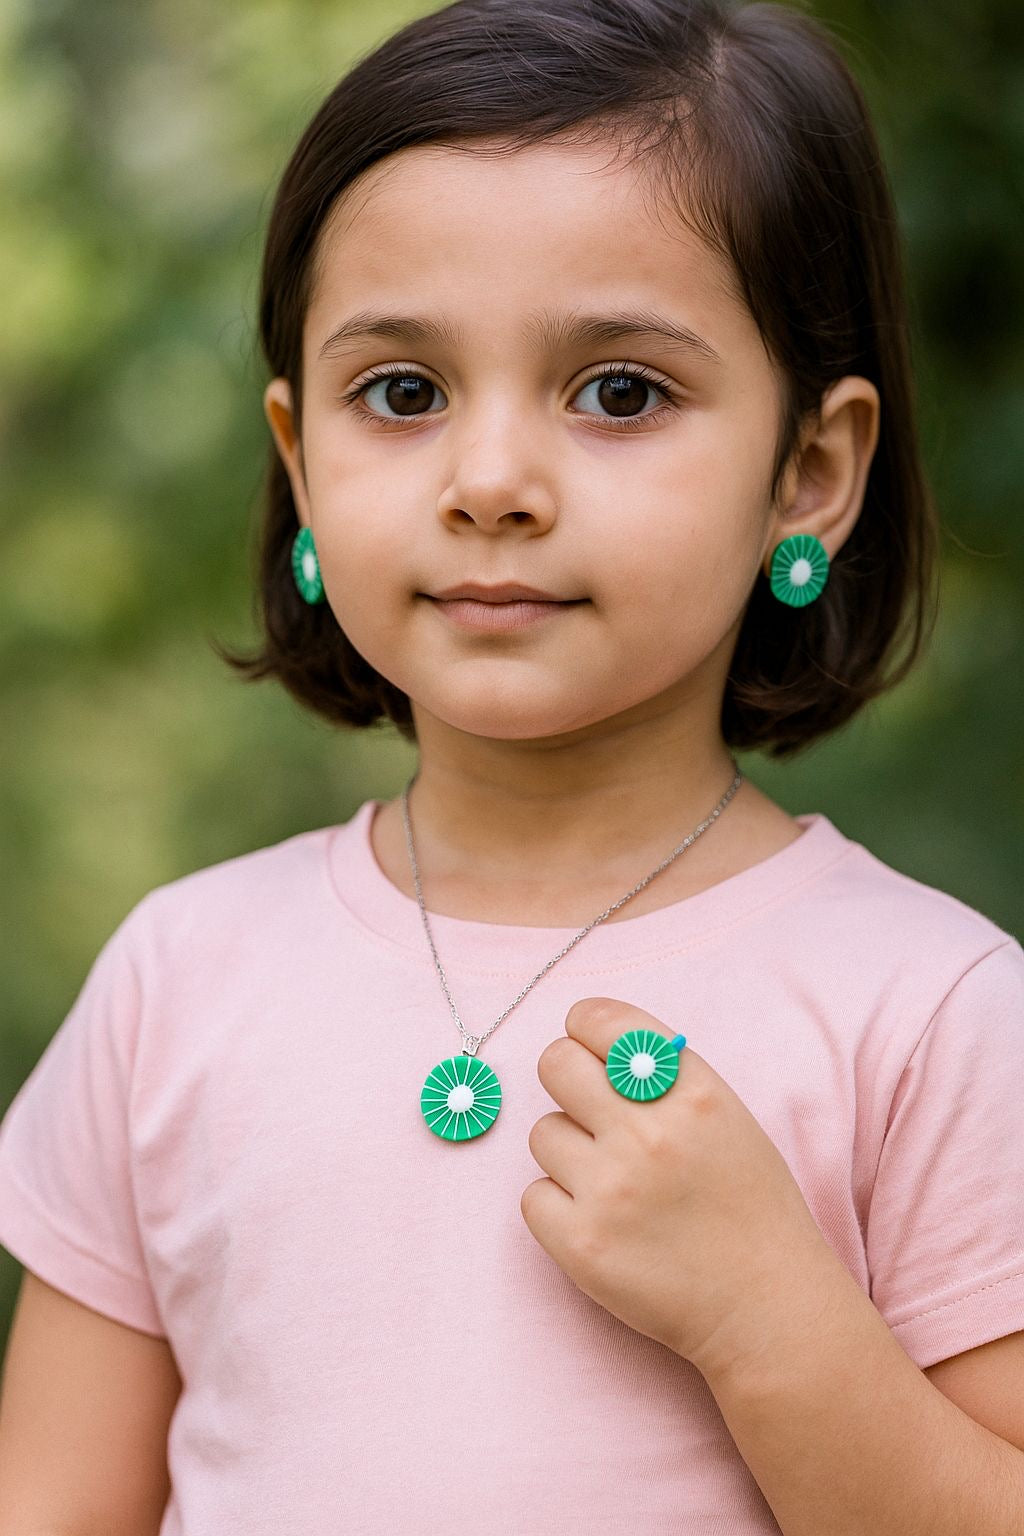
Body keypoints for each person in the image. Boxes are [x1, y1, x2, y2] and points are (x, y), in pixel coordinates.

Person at [0, 1, 1022, 1532]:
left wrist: (774, 1325)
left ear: (809, 473)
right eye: (401, 394)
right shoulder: (177, 983)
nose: (489, 484)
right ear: (298, 457)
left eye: (620, 392)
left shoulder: (934, 1013)